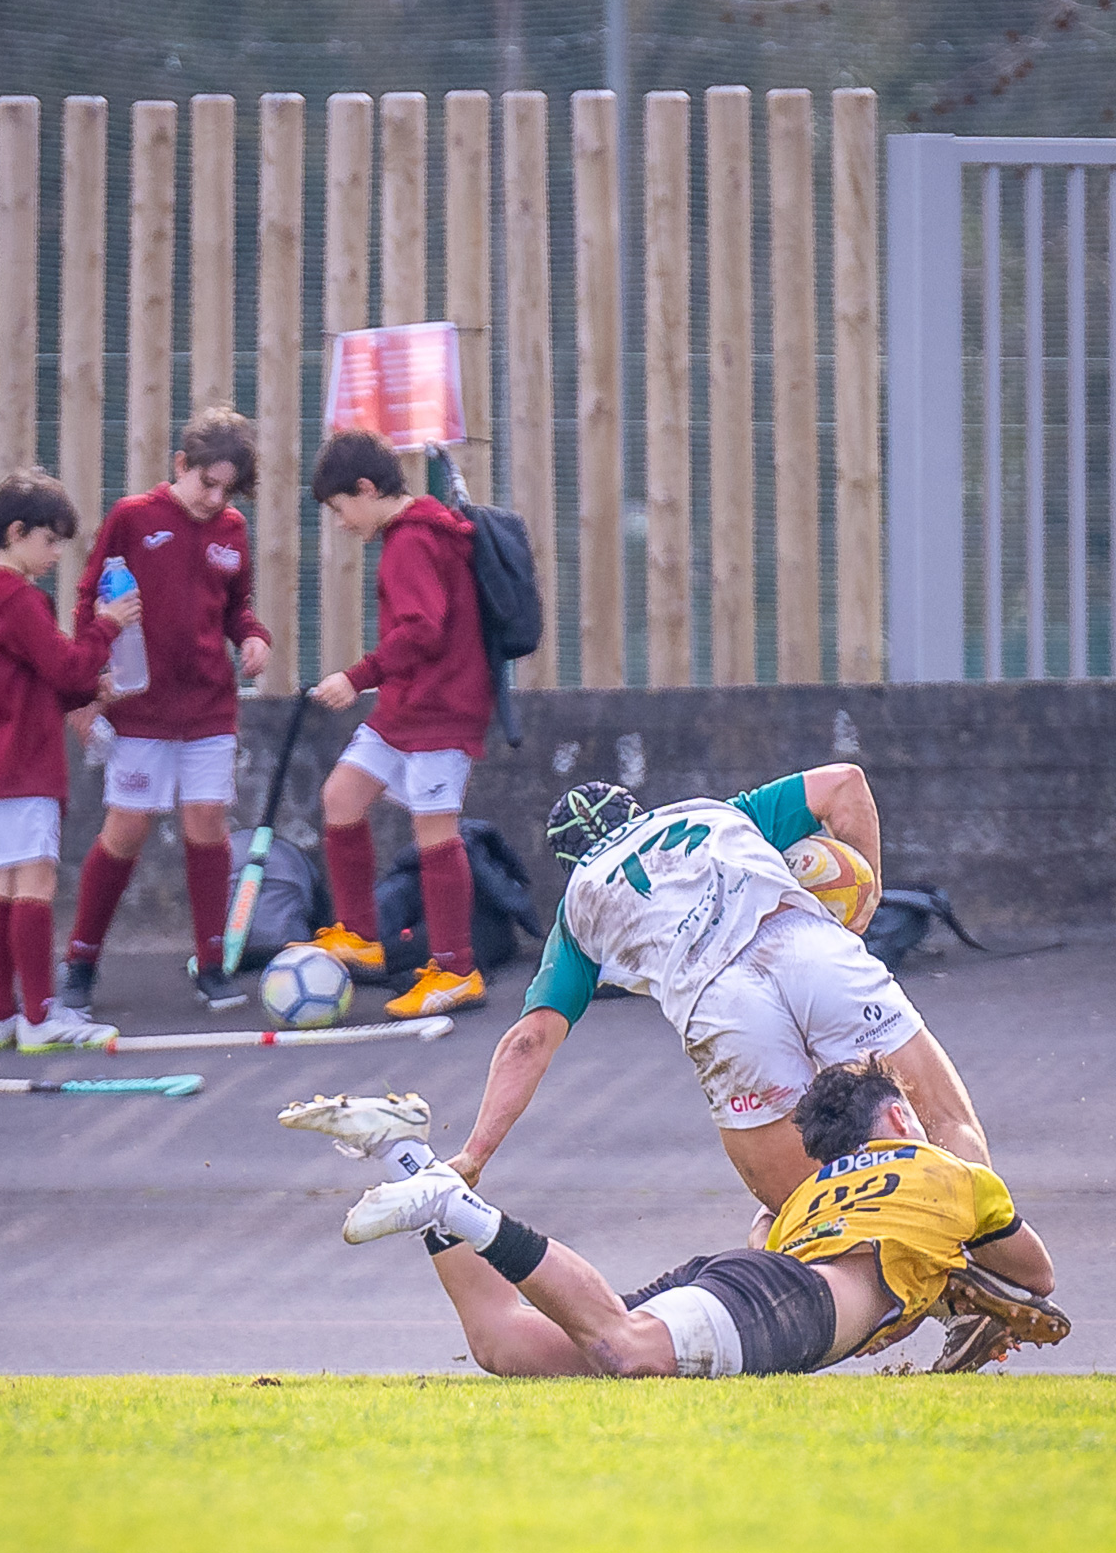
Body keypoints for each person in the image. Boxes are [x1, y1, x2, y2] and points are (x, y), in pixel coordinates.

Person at [278, 1058, 1069, 1379]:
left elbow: (767, 1243)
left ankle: (404, 1154)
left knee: (505, 1342)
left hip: (746, 1276)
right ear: (898, 1117)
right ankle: (454, 1206)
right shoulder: (954, 1175)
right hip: (792, 1301)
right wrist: (955, 1274)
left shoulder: (803, 1199)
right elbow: (1036, 1276)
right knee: (627, 1352)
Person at [446, 768, 990, 1215]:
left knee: (804, 1207)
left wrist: (474, 1154)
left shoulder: (581, 900)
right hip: (811, 950)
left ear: (568, 865)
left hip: (722, 1007)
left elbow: (530, 1041)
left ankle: (878, 1302)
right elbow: (845, 783)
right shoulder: (715, 813)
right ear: (640, 812)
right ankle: (990, 1264)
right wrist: (864, 896)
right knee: (944, 1124)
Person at [60, 407, 272, 1011]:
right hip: (139, 710)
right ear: (181, 465)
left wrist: (253, 637)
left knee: (207, 824)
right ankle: (80, 962)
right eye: (207, 482)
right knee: (126, 828)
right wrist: (84, 687)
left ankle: (212, 962)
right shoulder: (133, 518)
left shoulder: (232, 529)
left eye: (226, 490)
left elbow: (237, 608)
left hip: (209, 708)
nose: (215, 498)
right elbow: (88, 599)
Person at [0, 470, 140, 1051]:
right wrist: (108, 627)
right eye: (50, 541)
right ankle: (39, 1017)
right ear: (17, 532)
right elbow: (68, 667)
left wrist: (90, 688)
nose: (56, 554)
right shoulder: (18, 599)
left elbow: (44, 681)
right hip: (23, 766)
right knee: (36, 883)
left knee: (5, 885)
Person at [306, 430, 493, 1019]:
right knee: (342, 797)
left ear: (365, 490)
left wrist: (356, 676)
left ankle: (457, 970)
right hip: (406, 709)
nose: (341, 523)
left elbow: (423, 630)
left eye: (341, 509)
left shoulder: (411, 541)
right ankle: (359, 936)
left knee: (435, 833)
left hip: (441, 711)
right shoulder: (415, 534)